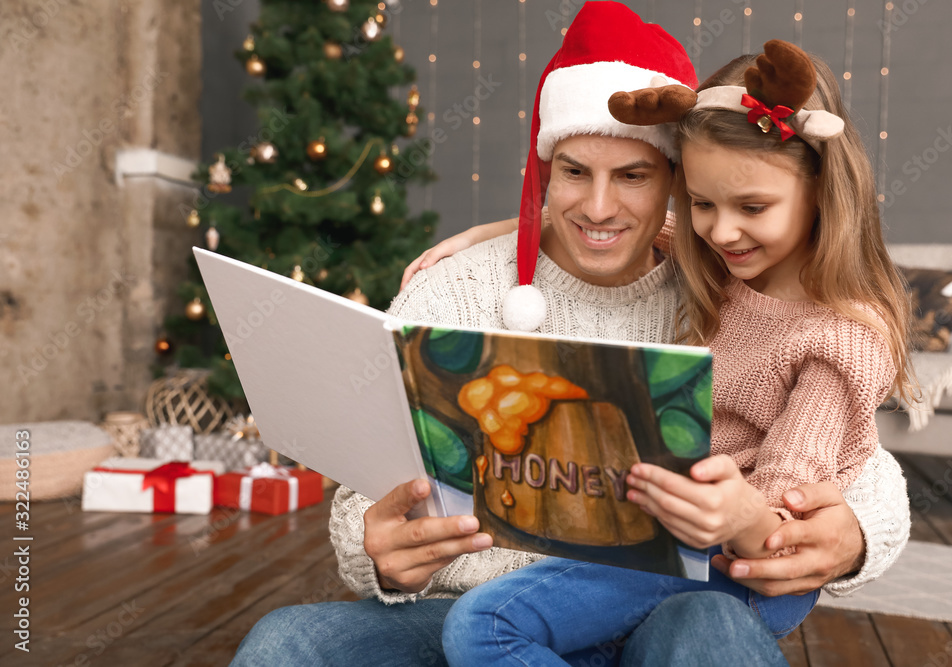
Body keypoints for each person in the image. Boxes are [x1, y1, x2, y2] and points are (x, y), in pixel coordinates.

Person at [231, 5, 909, 665]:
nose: (600, 207)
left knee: (704, 621)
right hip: (481, 614)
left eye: (634, 176)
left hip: (665, 605)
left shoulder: (712, 278)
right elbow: (363, 492)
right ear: (543, 174)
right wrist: (379, 550)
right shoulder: (448, 290)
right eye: (574, 172)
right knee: (286, 643)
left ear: (673, 181)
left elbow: (853, 453)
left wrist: (853, 533)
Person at [437, 39, 914, 665]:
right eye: (702, 204)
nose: (721, 230)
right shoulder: (725, 266)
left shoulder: (840, 337)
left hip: (742, 560)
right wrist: (495, 232)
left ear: (823, 192)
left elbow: (780, 522)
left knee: (488, 624)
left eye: (752, 207)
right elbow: (612, 224)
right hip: (677, 540)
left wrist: (738, 513)